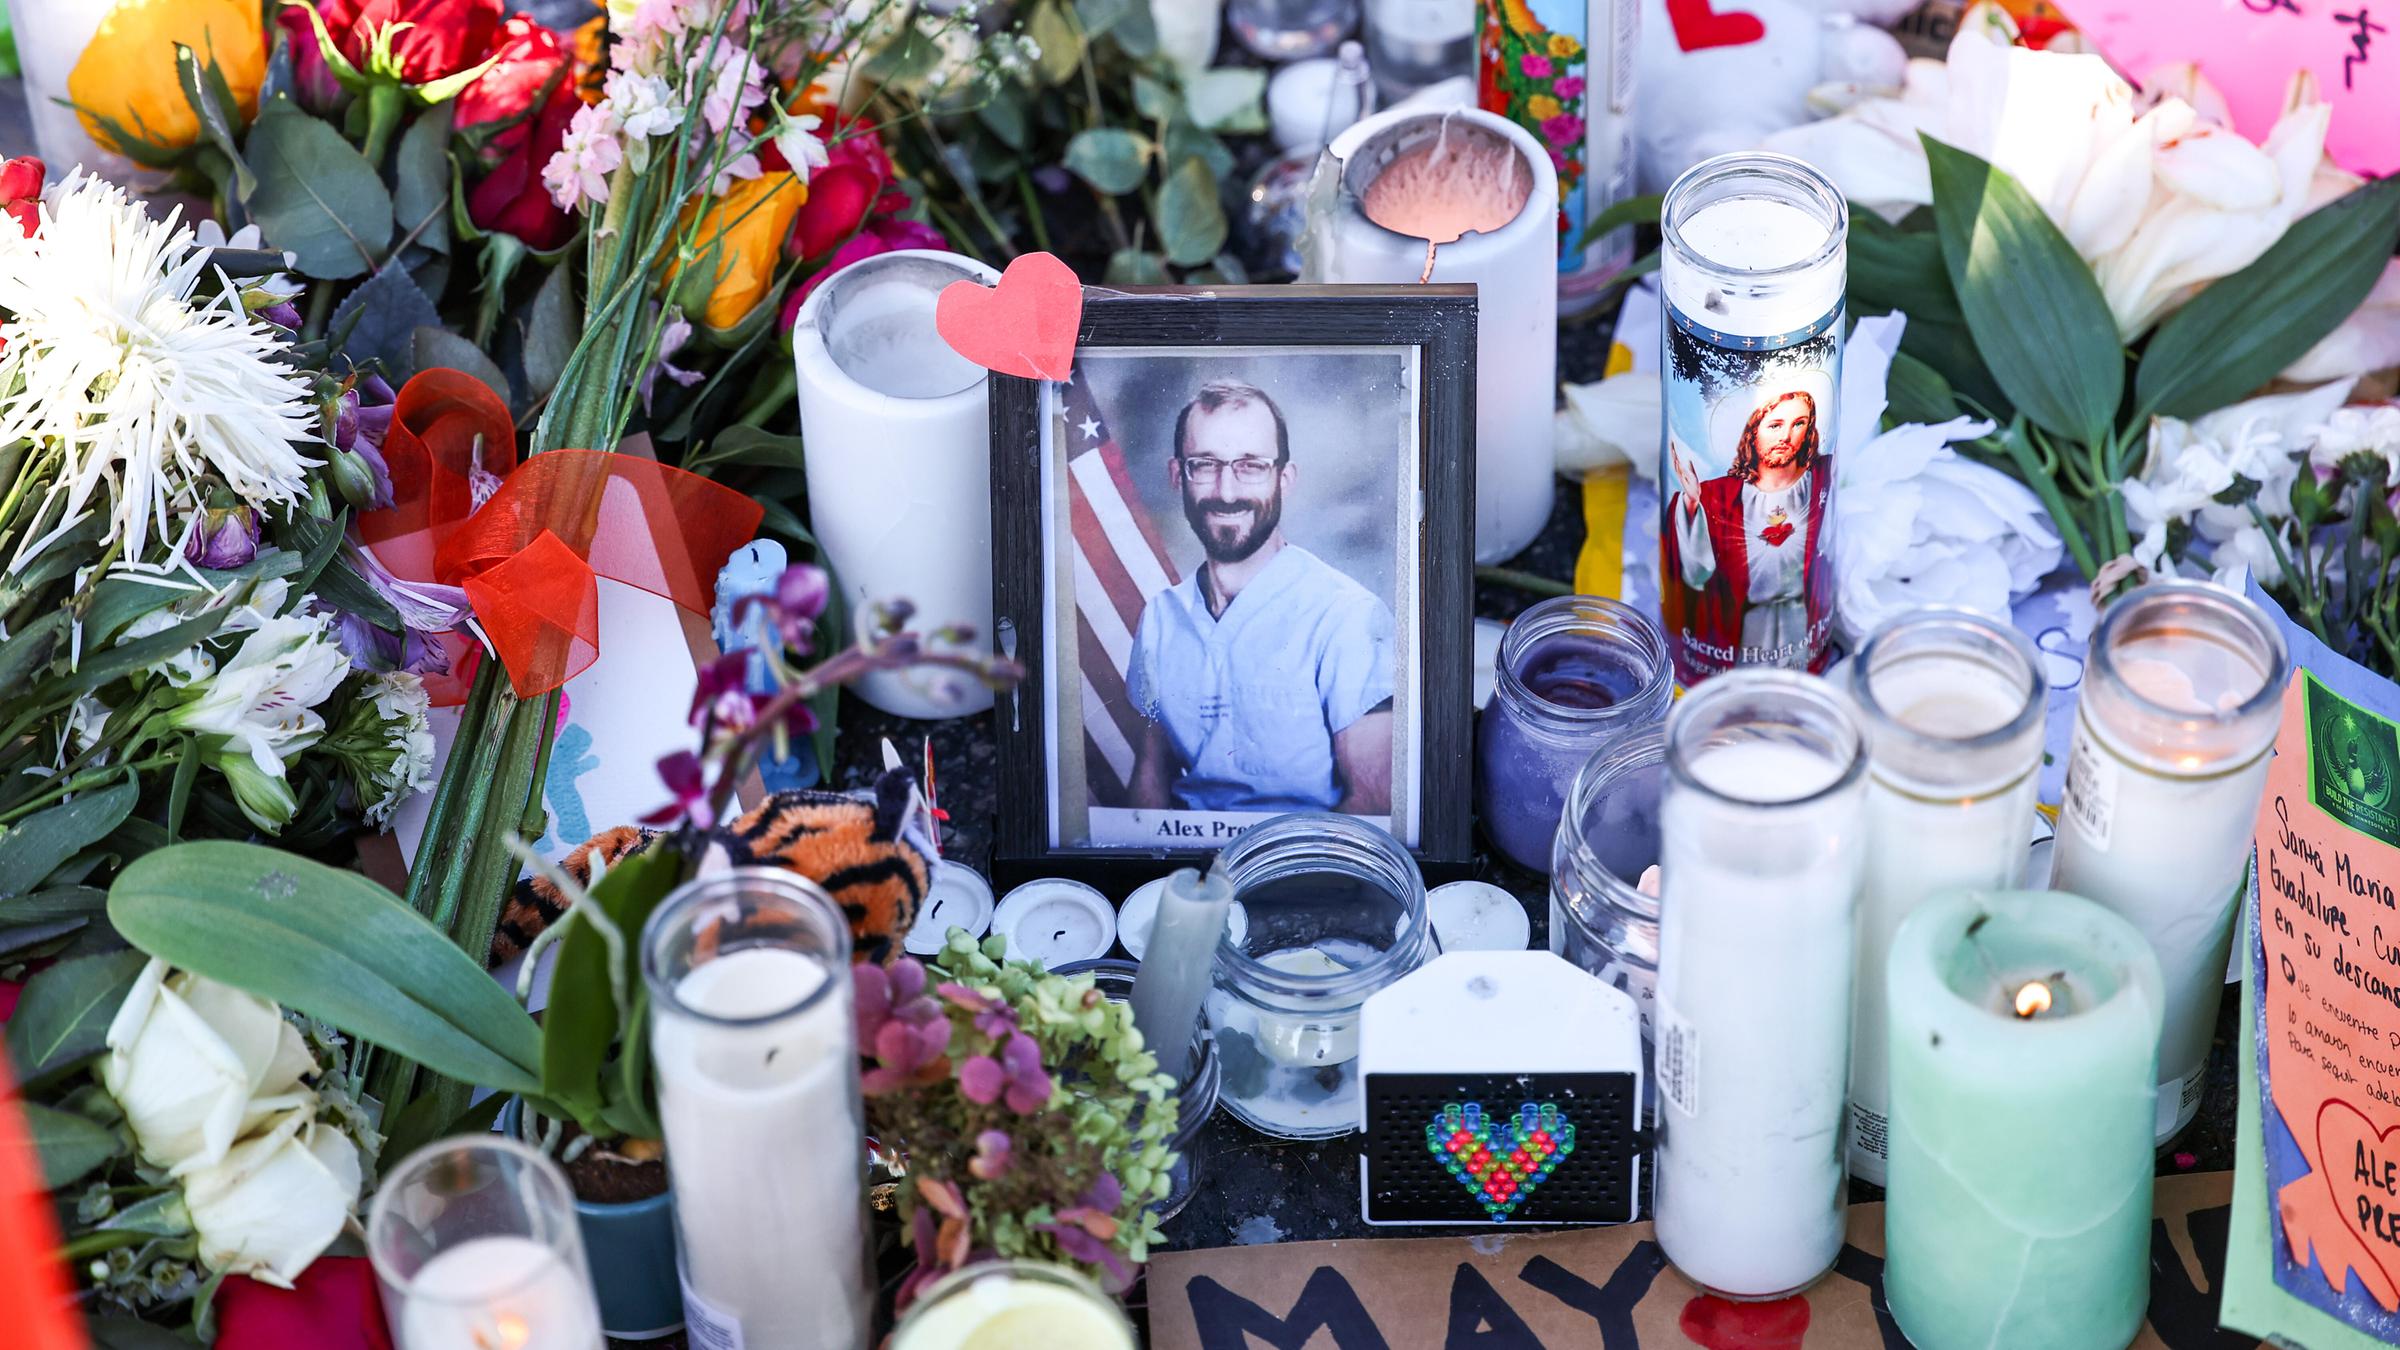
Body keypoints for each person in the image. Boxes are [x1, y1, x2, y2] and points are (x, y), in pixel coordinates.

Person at [1125, 380, 1397, 816]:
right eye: (1205, 465)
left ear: (1284, 479)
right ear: (1178, 475)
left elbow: (1373, 801)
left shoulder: (1346, 615)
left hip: (1299, 863)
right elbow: (1152, 774)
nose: (1227, 491)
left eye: (1250, 466)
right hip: (1188, 871)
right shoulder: (1160, 617)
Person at [1664, 387, 1834, 673]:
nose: (1786, 436)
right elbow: (1696, 573)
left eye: (1799, 424)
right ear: (1754, 433)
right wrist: (1693, 504)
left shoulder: (1819, 478)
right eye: (1775, 425)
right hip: (1745, 627)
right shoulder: (1721, 497)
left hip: (1803, 618)